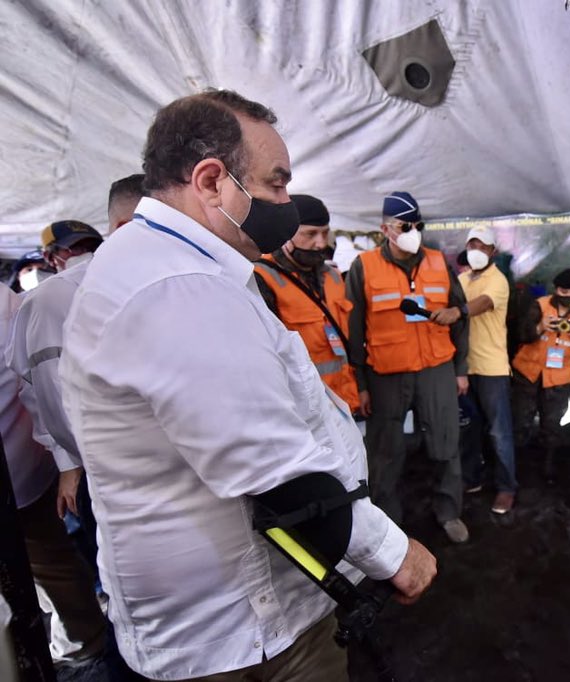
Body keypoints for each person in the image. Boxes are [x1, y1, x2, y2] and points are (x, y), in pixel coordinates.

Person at [59, 89, 435, 681]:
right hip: (242, 634)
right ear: (211, 181)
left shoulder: (177, 268)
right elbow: (276, 472)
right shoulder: (175, 286)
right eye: (276, 184)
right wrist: (394, 555)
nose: (286, 203)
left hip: (249, 608)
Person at [345, 191, 471, 543]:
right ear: (386, 229)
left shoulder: (438, 262)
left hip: (437, 370)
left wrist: (461, 368)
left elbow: (460, 317)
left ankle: (449, 511)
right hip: (386, 373)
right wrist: (361, 383)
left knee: (446, 442)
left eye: (418, 224)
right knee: (385, 451)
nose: (413, 231)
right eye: (405, 225)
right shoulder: (364, 266)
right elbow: (354, 329)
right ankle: (387, 525)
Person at [1, 284, 108, 667]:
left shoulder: (9, 302)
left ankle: (84, 640)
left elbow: (31, 379)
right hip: (27, 466)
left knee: (51, 562)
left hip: (22, 471)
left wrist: (65, 461)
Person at [6, 221, 105, 559]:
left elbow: (38, 390)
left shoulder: (42, 302)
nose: (78, 255)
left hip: (96, 461)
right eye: (72, 248)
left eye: (82, 246)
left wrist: (68, 463)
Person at [254, 194, 359, 413]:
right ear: (285, 234)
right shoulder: (261, 278)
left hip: (342, 401)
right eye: (310, 234)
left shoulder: (333, 276)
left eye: (325, 233)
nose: (320, 243)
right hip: (303, 409)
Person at [511, 268, 570, 483]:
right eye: (564, 291)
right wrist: (540, 326)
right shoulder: (539, 305)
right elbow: (520, 333)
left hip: (558, 379)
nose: (568, 296)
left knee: (551, 427)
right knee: (520, 424)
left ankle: (547, 469)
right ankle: (513, 469)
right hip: (528, 374)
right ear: (556, 289)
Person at [457, 227, 517, 514]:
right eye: (472, 245)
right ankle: (472, 479)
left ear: (493, 251)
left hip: (492, 368)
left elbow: (482, 305)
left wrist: (457, 311)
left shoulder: (499, 281)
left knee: (499, 433)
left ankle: (506, 487)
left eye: (483, 246)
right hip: (465, 368)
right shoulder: (460, 280)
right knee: (469, 429)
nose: (477, 251)